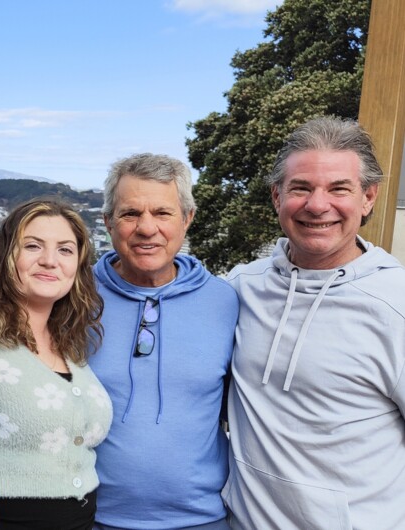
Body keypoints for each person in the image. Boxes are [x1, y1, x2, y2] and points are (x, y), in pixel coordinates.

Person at [224, 116, 405, 529]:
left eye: (338, 188)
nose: (317, 205)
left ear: (368, 198)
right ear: (276, 197)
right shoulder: (240, 288)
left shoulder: (397, 305)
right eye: (301, 188)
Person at [88, 153, 238, 530]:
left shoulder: (226, 301)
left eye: (163, 213)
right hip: (91, 517)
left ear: (187, 219)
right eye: (130, 214)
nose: (146, 228)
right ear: (108, 222)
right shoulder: (71, 299)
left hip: (202, 520)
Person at [0, 198, 111, 529]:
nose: (50, 261)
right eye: (33, 246)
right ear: (8, 256)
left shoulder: (69, 344)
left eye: (65, 250)